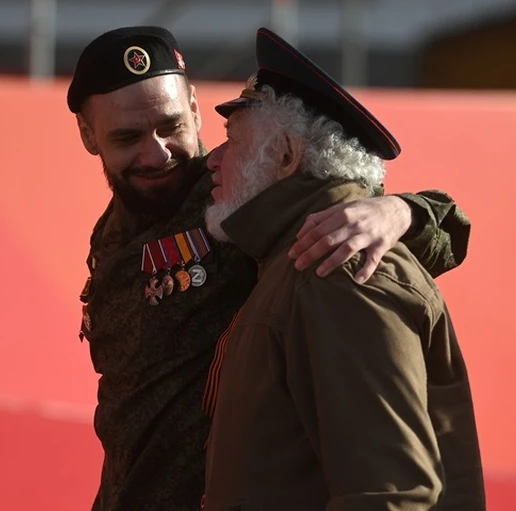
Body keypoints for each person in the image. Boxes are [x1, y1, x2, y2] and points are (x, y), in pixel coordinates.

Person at [66, 26, 474, 511]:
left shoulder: (237, 197)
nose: (156, 153)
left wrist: (403, 211)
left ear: (194, 108)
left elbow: (340, 205)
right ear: (89, 135)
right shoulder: (110, 234)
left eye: (171, 126)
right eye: (128, 137)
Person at [201, 27, 485, 511]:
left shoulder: (338, 268)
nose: (213, 160)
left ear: (286, 155)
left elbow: (390, 497)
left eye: (232, 141)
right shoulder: (298, 259)